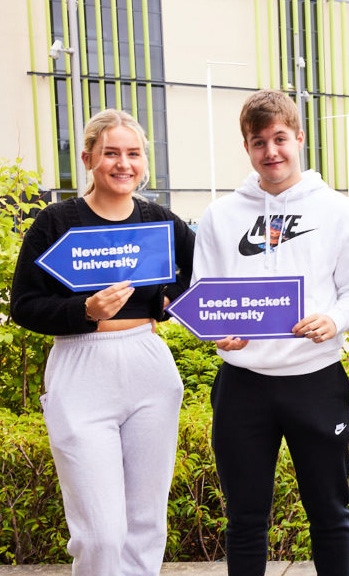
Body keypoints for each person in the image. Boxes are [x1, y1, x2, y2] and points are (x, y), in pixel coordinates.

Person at [192, 89, 349, 575]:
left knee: (330, 515)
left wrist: (334, 320)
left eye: (280, 138)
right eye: (258, 142)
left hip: (316, 380)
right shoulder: (220, 216)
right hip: (242, 385)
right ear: (246, 147)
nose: (271, 151)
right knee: (245, 519)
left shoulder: (338, 211)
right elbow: (205, 293)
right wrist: (217, 331)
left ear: (299, 138)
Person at [11, 109, 195, 575]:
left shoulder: (160, 221)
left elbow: (202, 274)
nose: (123, 164)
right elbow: (24, 305)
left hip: (148, 366)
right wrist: (85, 312)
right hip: (80, 368)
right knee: (100, 533)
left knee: (145, 523)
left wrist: (169, 304)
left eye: (134, 153)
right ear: (88, 158)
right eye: (111, 153)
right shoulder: (56, 221)